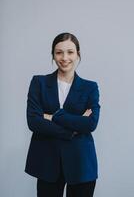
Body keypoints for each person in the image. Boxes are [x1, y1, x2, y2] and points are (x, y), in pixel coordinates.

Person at [25, 32, 101, 197]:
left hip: (81, 162)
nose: (64, 57)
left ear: (78, 54)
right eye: (59, 52)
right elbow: (33, 121)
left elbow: (90, 123)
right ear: (53, 55)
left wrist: (53, 116)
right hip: (47, 162)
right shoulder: (39, 83)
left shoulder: (90, 87)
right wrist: (71, 129)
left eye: (70, 52)